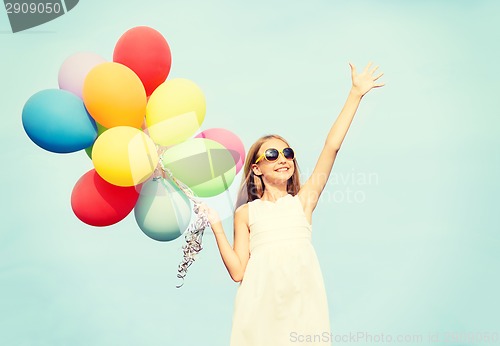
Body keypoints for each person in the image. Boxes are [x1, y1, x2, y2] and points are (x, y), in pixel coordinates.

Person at [202, 62, 384, 346]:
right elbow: (238, 271)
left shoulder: (303, 202)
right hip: (259, 313)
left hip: (302, 311)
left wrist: (355, 95)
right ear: (257, 168)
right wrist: (216, 226)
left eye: (287, 152)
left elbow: (331, 147)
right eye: (272, 154)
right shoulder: (246, 213)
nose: (283, 158)